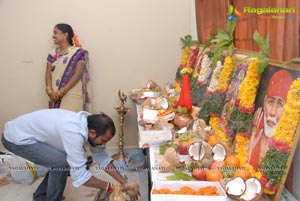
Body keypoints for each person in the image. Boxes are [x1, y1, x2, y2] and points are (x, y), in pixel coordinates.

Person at [1, 109, 140, 201]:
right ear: (92, 133)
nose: (103, 145)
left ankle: (41, 196)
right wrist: (112, 187)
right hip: (15, 138)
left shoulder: (90, 125)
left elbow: (103, 159)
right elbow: (80, 176)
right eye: (103, 141)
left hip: (26, 134)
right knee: (60, 161)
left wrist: (124, 183)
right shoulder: (74, 133)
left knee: (60, 160)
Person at [248, 70, 293, 170]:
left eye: (280, 104)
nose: (272, 112)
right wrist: (253, 140)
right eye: (271, 102)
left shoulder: (283, 145)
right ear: (264, 102)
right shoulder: (254, 131)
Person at [45, 23, 91, 112]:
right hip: (54, 97)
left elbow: (77, 74)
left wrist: (60, 92)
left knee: (70, 124)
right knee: (56, 124)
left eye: (55, 33)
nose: (53, 36)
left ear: (65, 35)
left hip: (71, 96)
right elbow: (48, 74)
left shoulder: (78, 52)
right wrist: (50, 92)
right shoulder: (52, 53)